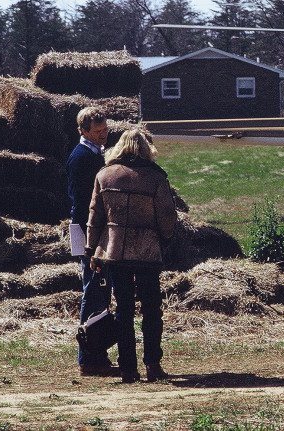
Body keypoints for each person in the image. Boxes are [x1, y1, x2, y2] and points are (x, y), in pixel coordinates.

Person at [86, 129, 178, 383]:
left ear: (119, 148)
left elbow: (95, 217)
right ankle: (153, 364)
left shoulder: (104, 176)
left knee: (123, 310)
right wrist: (165, 239)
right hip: (147, 251)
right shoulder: (156, 178)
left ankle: (128, 368)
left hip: (114, 251)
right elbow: (167, 216)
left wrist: (91, 249)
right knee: (151, 309)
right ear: (146, 149)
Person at [66, 106, 114, 376]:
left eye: (105, 130)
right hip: (86, 230)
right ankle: (87, 356)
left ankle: (97, 352)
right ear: (83, 131)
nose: (103, 135)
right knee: (93, 289)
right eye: (97, 132)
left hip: (91, 229)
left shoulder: (95, 153)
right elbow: (84, 203)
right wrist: (91, 239)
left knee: (99, 290)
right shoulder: (81, 157)